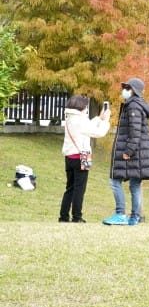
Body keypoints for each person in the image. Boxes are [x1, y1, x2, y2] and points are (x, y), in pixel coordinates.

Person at [102, 78, 149, 226]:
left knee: (115, 181)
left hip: (134, 151)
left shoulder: (133, 106)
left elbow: (135, 132)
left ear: (134, 90)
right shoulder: (137, 105)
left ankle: (120, 214)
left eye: (127, 88)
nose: (124, 90)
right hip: (140, 152)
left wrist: (128, 151)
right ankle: (134, 217)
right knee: (135, 184)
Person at [59, 95, 111, 223]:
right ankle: (77, 217)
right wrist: (106, 121)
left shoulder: (70, 118)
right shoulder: (80, 121)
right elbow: (98, 133)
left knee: (70, 188)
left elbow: (88, 126)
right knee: (80, 189)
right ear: (82, 107)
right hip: (82, 156)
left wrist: (99, 118)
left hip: (69, 157)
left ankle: (63, 216)